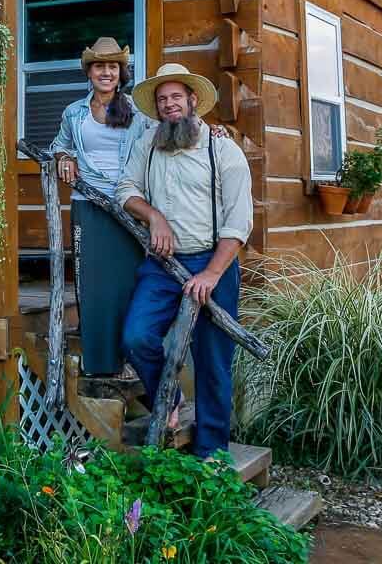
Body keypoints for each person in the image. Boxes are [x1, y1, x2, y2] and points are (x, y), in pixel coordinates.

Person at [117, 62, 252, 459]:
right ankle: (169, 394)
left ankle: (211, 455)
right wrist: (153, 215)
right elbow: (125, 188)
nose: (169, 104)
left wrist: (212, 272)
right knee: (136, 336)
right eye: (162, 99)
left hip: (215, 262)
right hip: (163, 264)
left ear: (193, 101)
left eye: (176, 96)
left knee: (212, 361)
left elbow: (239, 220)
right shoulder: (148, 144)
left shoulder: (222, 148)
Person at [48, 37, 153, 377]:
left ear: (121, 73)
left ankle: (129, 362)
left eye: (112, 67)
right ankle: (98, 364)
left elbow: (168, 136)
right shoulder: (74, 112)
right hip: (88, 204)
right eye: (99, 66)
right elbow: (59, 145)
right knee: (92, 286)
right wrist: (64, 158)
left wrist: (213, 133)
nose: (106, 72)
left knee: (126, 284)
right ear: (89, 72)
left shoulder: (138, 113)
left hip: (127, 204)